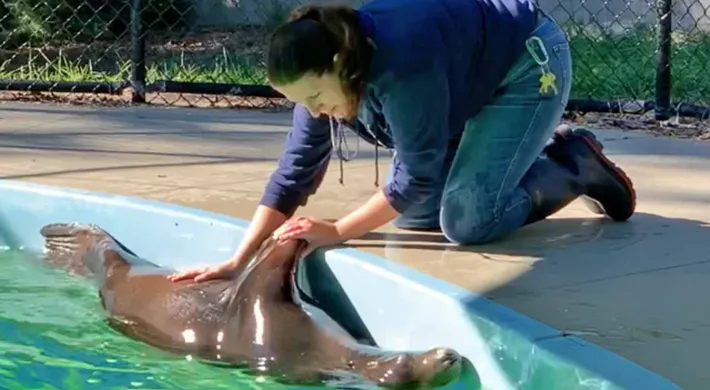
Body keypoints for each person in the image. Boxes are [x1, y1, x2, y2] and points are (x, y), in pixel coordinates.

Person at [168, 0, 636, 283]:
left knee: (467, 220)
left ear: (341, 65)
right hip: (459, 79)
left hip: (526, 66)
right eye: (298, 102)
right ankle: (508, 153)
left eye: (314, 97)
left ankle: (572, 163)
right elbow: (293, 174)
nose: (311, 111)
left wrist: (336, 231)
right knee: (415, 216)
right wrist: (237, 260)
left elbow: (414, 175)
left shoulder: (402, 68)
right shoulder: (323, 77)